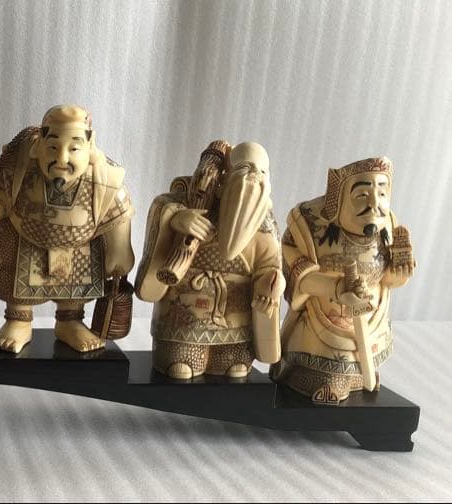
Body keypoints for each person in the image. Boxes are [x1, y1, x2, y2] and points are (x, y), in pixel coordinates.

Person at [0, 105, 134, 353]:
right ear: (39, 145)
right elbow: (1, 196)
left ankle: (70, 321)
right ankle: (18, 320)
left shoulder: (104, 179)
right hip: (25, 238)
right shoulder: (22, 168)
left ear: (90, 146)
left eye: (74, 148)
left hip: (79, 247)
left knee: (75, 288)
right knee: (14, 267)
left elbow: (119, 210)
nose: (62, 159)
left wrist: (119, 250)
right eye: (53, 147)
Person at [135, 141, 283, 379]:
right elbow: (162, 207)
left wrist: (272, 286)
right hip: (184, 323)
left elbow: (271, 266)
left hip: (235, 325)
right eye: (245, 168)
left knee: (235, 369)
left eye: (262, 171)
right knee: (181, 368)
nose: (255, 176)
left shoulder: (265, 224)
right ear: (224, 179)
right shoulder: (193, 204)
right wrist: (177, 220)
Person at [273, 157, 415, 404]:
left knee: (361, 367)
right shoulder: (306, 226)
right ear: (337, 199)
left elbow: (385, 280)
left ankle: (356, 377)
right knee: (326, 367)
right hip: (322, 316)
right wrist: (336, 288)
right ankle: (322, 379)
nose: (374, 204)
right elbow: (296, 273)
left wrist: (398, 276)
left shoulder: (389, 225)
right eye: (362, 195)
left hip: (369, 319)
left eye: (382, 193)